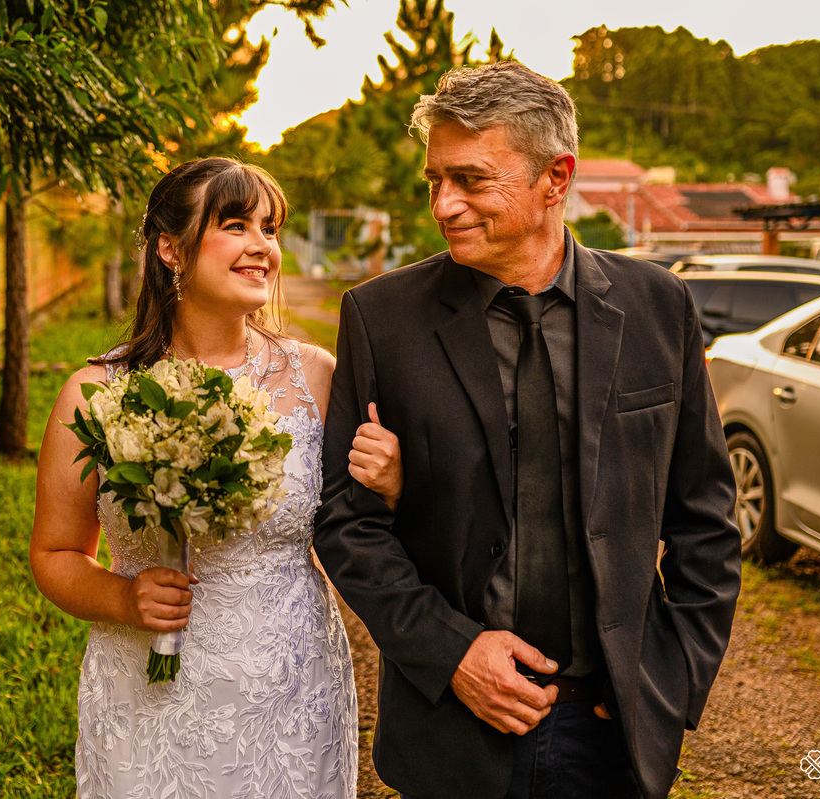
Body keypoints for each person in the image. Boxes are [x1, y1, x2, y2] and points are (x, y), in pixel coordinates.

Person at [314, 62, 742, 799]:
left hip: (612, 738)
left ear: (556, 177)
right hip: (454, 731)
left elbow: (706, 517)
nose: (444, 204)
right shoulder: (380, 318)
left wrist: (671, 674)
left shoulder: (658, 306)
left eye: (471, 179)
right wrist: (453, 654)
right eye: (434, 180)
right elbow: (347, 522)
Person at [29, 157, 401, 799]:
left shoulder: (315, 377)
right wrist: (124, 599)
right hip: (146, 691)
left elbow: (368, 530)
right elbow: (55, 553)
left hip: (290, 682)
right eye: (236, 225)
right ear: (170, 250)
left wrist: (392, 485)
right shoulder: (95, 394)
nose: (262, 245)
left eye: (270, 228)